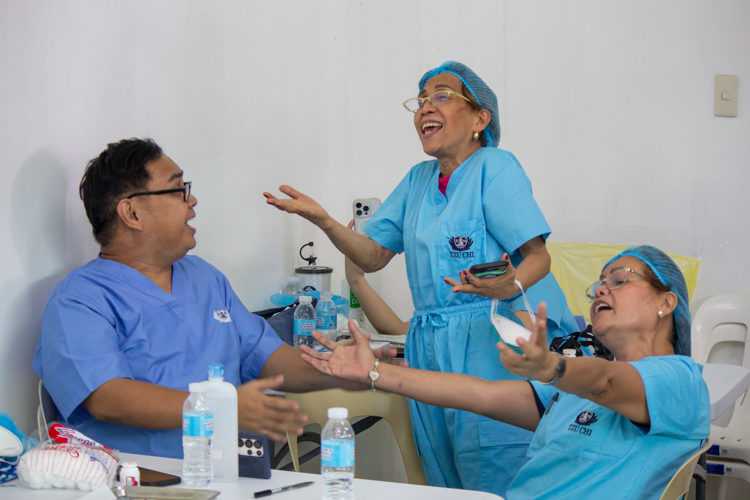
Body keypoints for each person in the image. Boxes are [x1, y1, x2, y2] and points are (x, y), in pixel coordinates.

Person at [264, 61, 578, 495]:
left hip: (491, 338)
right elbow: (372, 256)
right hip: (430, 344)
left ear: (480, 119)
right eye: (421, 99)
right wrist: (325, 221)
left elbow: (537, 257)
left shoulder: (495, 167)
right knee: (442, 476)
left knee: (497, 469)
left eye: (442, 95)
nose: (426, 107)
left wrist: (507, 287)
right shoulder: (418, 180)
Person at [32, 138, 394, 458]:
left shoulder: (203, 277)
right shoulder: (79, 300)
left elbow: (267, 357)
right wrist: (220, 407)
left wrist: (338, 370)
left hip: (228, 476)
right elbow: (106, 397)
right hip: (139, 480)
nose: (192, 200)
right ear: (132, 212)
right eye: (178, 190)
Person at [302, 245, 709, 499]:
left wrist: (553, 366)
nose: (601, 288)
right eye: (598, 284)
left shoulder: (680, 381)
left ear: (667, 301)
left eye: (619, 280)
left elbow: (605, 382)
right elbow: (479, 394)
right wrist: (373, 371)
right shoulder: (568, 395)